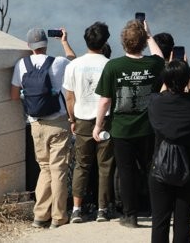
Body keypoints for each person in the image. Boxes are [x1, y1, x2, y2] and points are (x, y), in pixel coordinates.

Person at [94, 18, 165, 228]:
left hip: (121, 129)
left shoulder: (114, 66)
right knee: (150, 169)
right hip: (148, 127)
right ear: (143, 42)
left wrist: (98, 126)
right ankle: (157, 210)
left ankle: (130, 215)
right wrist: (150, 35)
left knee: (126, 172)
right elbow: (160, 57)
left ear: (123, 42)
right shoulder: (152, 64)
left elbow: (105, 100)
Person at [10, 27, 76, 229]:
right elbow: (74, 62)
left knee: (45, 168)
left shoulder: (22, 64)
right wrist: (64, 41)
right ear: (46, 44)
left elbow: (13, 95)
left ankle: (39, 216)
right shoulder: (59, 63)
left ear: (29, 46)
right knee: (58, 170)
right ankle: (58, 217)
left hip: (35, 124)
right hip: (58, 124)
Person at [148, 59, 190, 243]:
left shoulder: (156, 103)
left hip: (160, 166)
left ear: (165, 81)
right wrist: (188, 79)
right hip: (188, 166)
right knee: (183, 222)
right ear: (187, 80)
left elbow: (159, 92)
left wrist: (168, 76)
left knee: (160, 221)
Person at [62, 21, 115, 224]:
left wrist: (71, 119)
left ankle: (76, 209)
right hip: (106, 121)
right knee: (105, 166)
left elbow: (69, 97)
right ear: (105, 42)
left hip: (82, 120)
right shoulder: (110, 65)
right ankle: (102, 208)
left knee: (81, 166)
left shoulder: (74, 65)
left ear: (86, 41)